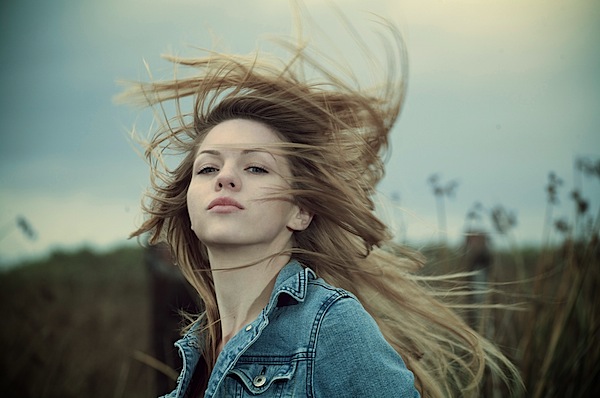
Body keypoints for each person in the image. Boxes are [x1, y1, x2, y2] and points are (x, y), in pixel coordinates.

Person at [119, 10, 520, 398]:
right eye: (207, 169)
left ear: (301, 210)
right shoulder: (198, 348)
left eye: (256, 168)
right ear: (188, 205)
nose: (225, 177)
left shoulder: (330, 326)